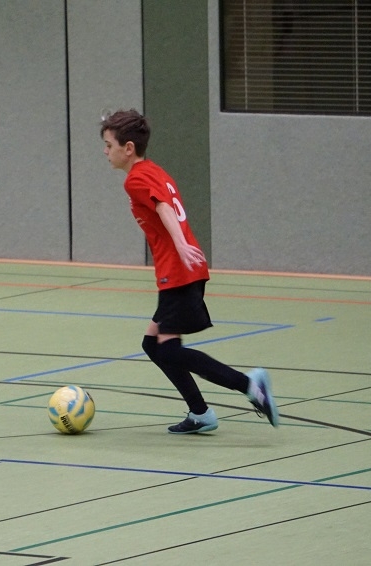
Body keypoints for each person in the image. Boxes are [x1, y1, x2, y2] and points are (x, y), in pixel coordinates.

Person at [100, 109, 279, 434]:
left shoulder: (136, 179)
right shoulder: (154, 171)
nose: (105, 151)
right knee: (152, 345)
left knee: (168, 349)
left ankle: (249, 385)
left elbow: (164, 207)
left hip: (179, 272)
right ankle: (200, 413)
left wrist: (180, 244)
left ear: (128, 148)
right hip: (180, 271)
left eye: (109, 145)